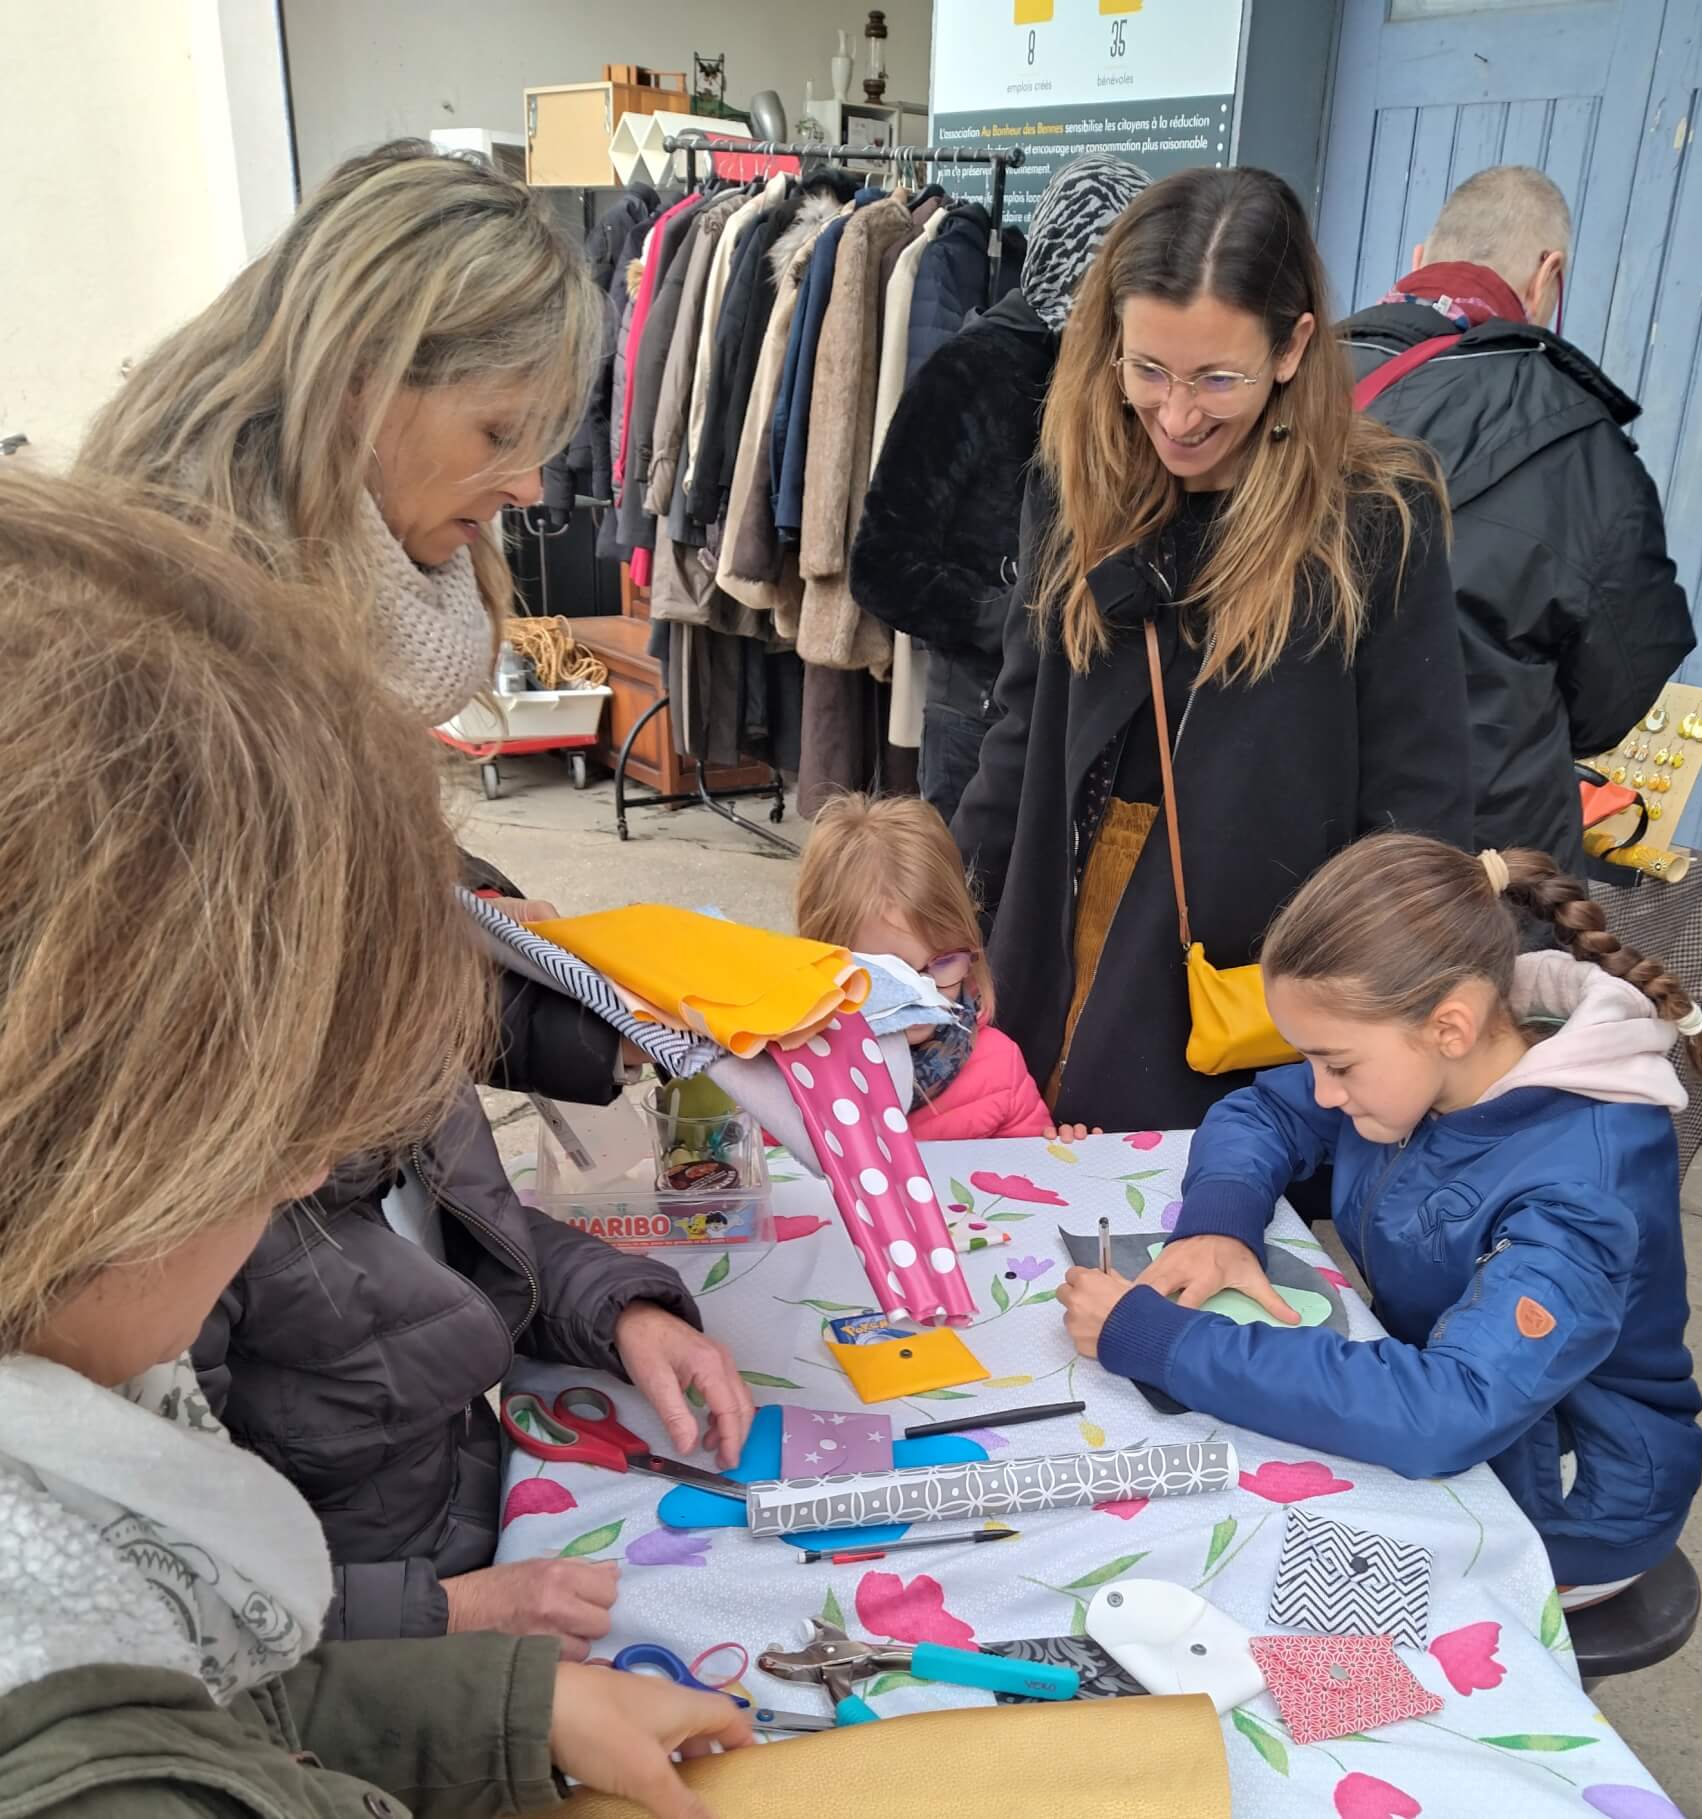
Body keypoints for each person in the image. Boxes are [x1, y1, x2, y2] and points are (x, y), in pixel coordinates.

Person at [76, 140, 756, 1648]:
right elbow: (154, 1537)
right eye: (504, 428)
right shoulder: (219, 801)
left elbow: (416, 1204)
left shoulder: (323, 742)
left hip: (409, 1522)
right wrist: (434, 1632)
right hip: (340, 1592)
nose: (531, 483)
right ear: (362, 384)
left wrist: (606, 1295)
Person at [0, 467, 749, 1819]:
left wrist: (518, 1705)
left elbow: (230, 1698)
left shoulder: (100, 1506)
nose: (312, 1155)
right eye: (293, 1113)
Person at [1061, 831, 1702, 1602]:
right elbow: (1261, 1114)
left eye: (1337, 1063)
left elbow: (1446, 1410)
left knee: (1221, 1575)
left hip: (1559, 1510)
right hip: (1456, 1425)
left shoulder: (1582, 1188)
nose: (1321, 1091)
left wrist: (1157, 1338)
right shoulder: (1434, 1065)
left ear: (1448, 1025)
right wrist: (1220, 1220)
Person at [951, 166, 1473, 1135]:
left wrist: (1375, 1029)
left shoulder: (1372, 522)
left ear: (1293, 348)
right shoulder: (1083, 481)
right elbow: (1019, 730)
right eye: (1148, 369)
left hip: (1242, 975)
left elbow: (1416, 811)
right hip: (1061, 923)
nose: (1179, 417)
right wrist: (943, 920)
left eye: (1217, 379)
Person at [1339, 165, 1696, 873]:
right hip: (1472, 870)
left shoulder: (1282, 376)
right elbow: (1608, 703)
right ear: (1548, 276)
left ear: (1418, 261)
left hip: (1284, 836)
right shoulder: (1583, 447)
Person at [852, 153, 1150, 818]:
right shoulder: (969, 371)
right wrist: (1016, 619)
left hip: (1084, 712)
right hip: (980, 721)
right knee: (969, 914)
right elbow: (880, 567)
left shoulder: (1118, 381)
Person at [794, 794, 1063, 1142]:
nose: (922, 994)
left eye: (943, 961)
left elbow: (1039, 1174)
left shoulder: (999, 1065)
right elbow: (768, 1170)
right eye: (891, 974)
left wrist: (1074, 1155)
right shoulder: (793, 1072)